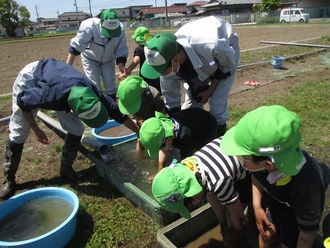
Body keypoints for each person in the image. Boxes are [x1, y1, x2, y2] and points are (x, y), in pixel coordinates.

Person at [0, 58, 139, 199]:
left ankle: (66, 169)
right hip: (31, 79)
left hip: (61, 81)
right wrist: (35, 128)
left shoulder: (93, 92)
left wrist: (139, 132)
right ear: (73, 109)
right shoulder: (49, 97)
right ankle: (9, 179)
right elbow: (22, 101)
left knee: (77, 129)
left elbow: (119, 115)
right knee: (19, 133)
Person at [220, 105, 330, 248]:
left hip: (296, 204)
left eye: (241, 157)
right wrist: (257, 207)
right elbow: (256, 176)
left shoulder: (305, 189)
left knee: (289, 240)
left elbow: (306, 237)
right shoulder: (261, 163)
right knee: (266, 234)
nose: (238, 160)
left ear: (268, 164)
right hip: (278, 195)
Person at [141, 16, 240, 135]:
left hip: (224, 51)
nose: (161, 74)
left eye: (162, 71)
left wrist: (210, 90)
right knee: (191, 105)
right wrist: (174, 124)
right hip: (200, 59)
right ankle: (197, 135)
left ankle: (218, 142)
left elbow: (226, 67)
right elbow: (171, 98)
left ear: (176, 60)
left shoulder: (212, 45)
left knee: (217, 107)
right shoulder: (165, 56)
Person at [152, 137, 252, 247]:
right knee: (227, 216)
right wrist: (224, 227)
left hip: (250, 161)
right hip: (228, 150)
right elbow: (214, 201)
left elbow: (237, 213)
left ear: (191, 193)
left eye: (190, 204)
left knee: (235, 216)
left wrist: (237, 238)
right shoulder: (189, 168)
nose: (193, 205)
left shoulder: (217, 182)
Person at [66, 9, 128, 101]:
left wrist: (121, 65)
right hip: (90, 59)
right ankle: (98, 111)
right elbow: (75, 47)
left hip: (108, 59)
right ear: (101, 24)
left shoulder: (120, 28)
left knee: (110, 86)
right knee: (94, 86)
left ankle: (112, 110)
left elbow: (121, 49)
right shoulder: (89, 26)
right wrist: (66, 68)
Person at [139, 109, 217, 174]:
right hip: (193, 122)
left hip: (207, 128)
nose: (160, 151)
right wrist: (160, 170)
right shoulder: (165, 125)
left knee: (196, 159)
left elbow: (185, 164)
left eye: (159, 148)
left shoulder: (184, 138)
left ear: (168, 140)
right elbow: (163, 149)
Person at [117, 75, 166, 149]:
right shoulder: (127, 97)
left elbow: (162, 113)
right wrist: (136, 118)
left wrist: (158, 126)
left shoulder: (153, 95)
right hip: (141, 122)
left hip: (154, 123)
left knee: (157, 144)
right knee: (141, 141)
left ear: (141, 93)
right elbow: (132, 110)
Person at [117, 27, 161, 93]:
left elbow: (136, 61)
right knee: (156, 96)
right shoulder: (153, 48)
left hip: (146, 77)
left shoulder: (140, 49)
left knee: (146, 96)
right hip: (157, 77)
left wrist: (127, 71)